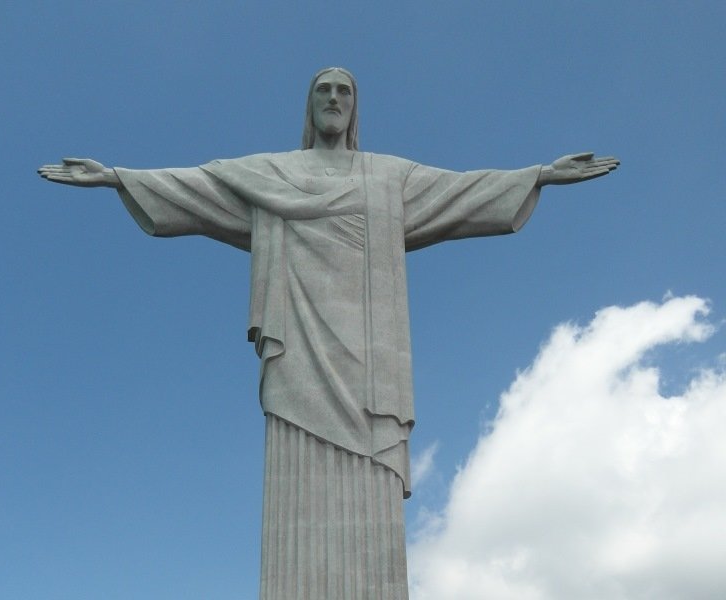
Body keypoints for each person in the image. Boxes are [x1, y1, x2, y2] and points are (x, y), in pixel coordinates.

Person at [39, 66, 618, 600]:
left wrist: (539, 174)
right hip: (297, 360)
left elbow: (461, 191)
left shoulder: (388, 178)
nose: (334, 99)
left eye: (345, 91)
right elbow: (198, 187)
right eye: (324, 90)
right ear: (309, 107)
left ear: (355, 109)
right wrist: (118, 177)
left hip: (370, 368)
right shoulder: (272, 174)